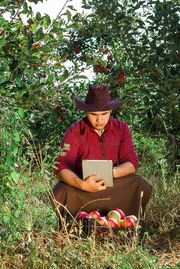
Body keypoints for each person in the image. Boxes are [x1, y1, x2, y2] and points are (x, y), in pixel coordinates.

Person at [52, 84, 153, 228]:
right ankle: (76, 225)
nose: (99, 120)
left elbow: (131, 163)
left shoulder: (122, 129)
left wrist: (110, 173)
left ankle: (126, 223)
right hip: (82, 186)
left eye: (104, 114)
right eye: (94, 114)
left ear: (111, 111)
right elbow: (61, 166)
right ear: (86, 112)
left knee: (138, 183)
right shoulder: (74, 131)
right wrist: (82, 184)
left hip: (113, 183)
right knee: (60, 191)